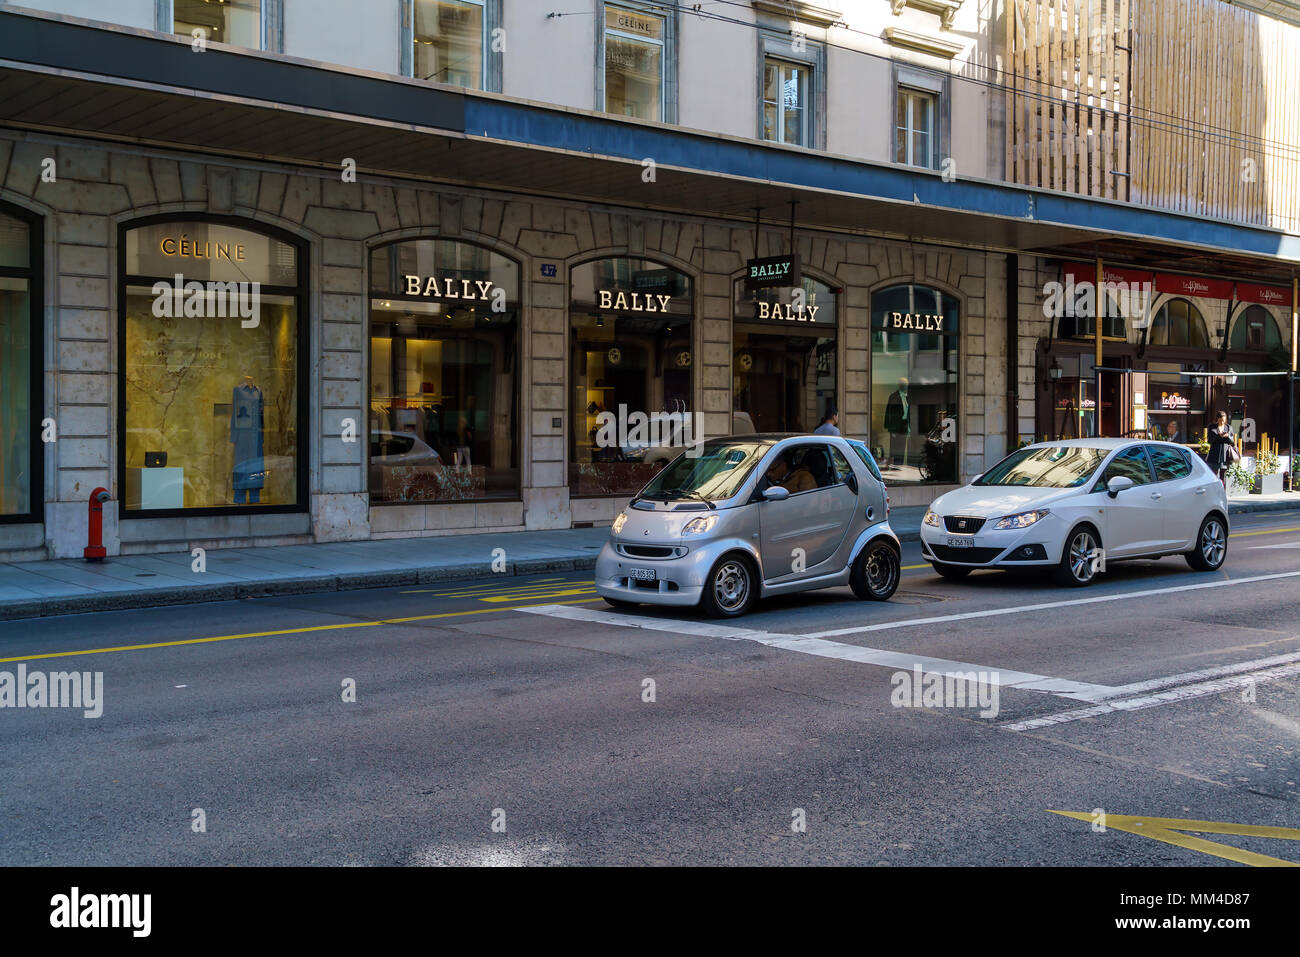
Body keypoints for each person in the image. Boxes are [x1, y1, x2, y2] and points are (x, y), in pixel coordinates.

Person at [1206, 410, 1235, 488]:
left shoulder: (1229, 427)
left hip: (1224, 455)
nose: (1222, 422)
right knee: (1214, 476)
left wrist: (1227, 436)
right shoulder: (1212, 427)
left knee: (1223, 476)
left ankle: (1223, 493)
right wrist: (1219, 436)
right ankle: (1214, 492)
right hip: (1214, 454)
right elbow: (1209, 440)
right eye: (1220, 420)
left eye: (1223, 420)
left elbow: (1232, 441)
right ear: (1217, 419)